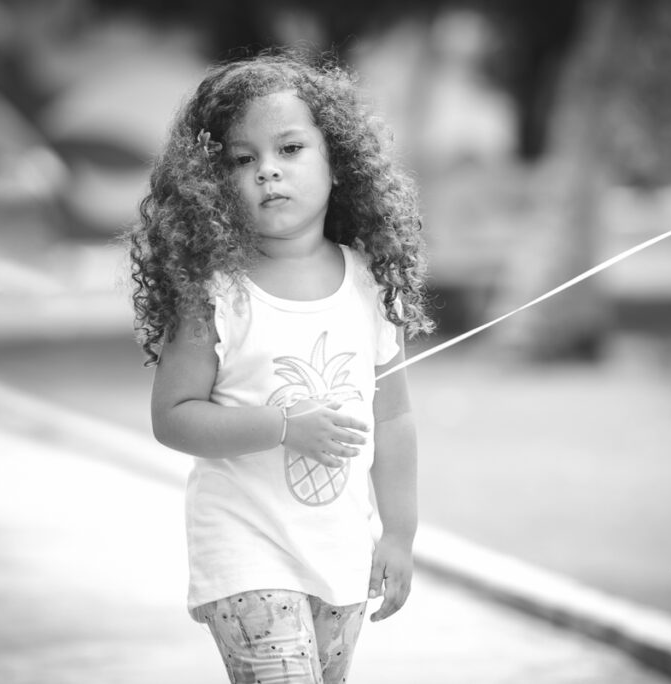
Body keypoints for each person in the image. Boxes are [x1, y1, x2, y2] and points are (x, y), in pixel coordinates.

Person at [126, 50, 433, 683]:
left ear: (337, 162)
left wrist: (398, 536)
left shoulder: (370, 285)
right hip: (246, 554)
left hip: (339, 555)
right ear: (214, 181)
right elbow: (173, 417)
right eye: (244, 159)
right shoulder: (214, 292)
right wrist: (285, 426)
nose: (268, 171)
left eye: (290, 149)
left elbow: (394, 416)